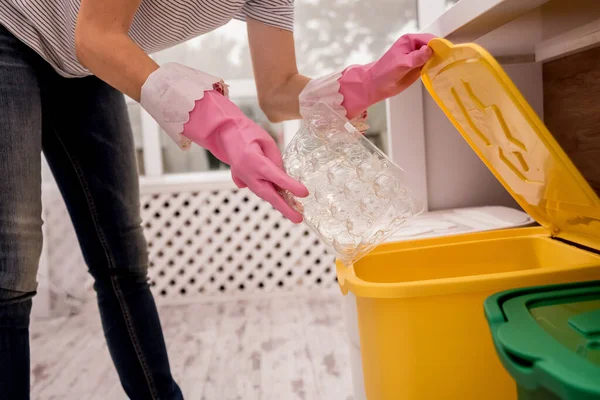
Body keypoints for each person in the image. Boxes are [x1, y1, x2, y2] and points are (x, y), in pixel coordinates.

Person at [0, 0, 434, 398]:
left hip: (86, 67)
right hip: (14, 30)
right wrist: (220, 124)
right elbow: (95, 36)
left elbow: (277, 88)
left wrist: (367, 81)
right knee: (12, 265)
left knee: (124, 258)